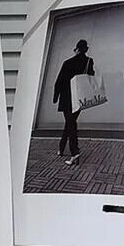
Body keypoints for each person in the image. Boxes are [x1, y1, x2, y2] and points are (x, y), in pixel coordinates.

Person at [53, 37, 94, 166]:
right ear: (85, 50)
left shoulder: (68, 63)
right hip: (79, 98)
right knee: (70, 122)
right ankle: (61, 148)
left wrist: (55, 97)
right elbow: (91, 76)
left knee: (71, 123)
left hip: (67, 98)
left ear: (77, 49)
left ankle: (75, 152)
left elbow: (59, 81)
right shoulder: (89, 61)